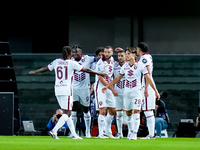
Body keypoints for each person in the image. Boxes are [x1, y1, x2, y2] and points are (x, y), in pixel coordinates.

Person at [29, 46, 107, 140]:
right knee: (67, 113)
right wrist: (99, 73)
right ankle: (54, 131)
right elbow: (87, 70)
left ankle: (74, 134)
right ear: (70, 54)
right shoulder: (71, 63)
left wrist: (35, 71)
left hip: (57, 89)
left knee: (68, 113)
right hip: (67, 89)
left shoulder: (56, 61)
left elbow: (45, 68)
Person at [102, 48, 160, 140]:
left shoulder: (141, 66)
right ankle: (129, 132)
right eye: (126, 54)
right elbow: (117, 78)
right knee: (129, 113)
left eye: (128, 54)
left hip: (137, 92)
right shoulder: (125, 66)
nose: (127, 55)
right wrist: (107, 86)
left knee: (136, 111)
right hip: (127, 93)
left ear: (133, 55)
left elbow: (148, 78)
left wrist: (155, 90)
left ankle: (134, 133)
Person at [71, 45, 95, 138]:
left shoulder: (88, 59)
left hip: (85, 88)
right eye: (74, 52)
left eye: (77, 52)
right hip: (74, 88)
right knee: (73, 110)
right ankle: (73, 132)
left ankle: (88, 132)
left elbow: (99, 58)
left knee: (86, 109)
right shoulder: (70, 61)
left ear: (81, 52)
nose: (75, 53)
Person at [94, 46, 118, 138]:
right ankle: (100, 133)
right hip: (101, 88)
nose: (106, 54)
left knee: (112, 110)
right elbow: (101, 78)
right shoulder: (100, 63)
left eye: (108, 52)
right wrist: (112, 89)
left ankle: (107, 131)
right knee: (103, 110)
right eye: (105, 52)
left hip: (109, 87)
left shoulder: (112, 60)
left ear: (112, 53)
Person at [137, 42, 157, 139]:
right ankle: (152, 133)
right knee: (147, 110)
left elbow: (147, 73)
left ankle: (151, 134)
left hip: (147, 86)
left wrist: (145, 88)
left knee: (148, 110)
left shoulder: (144, 59)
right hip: (147, 86)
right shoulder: (148, 57)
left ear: (139, 49)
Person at [113, 48, 126, 139]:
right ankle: (120, 133)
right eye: (119, 56)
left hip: (128, 92)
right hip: (117, 92)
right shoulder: (114, 65)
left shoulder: (131, 65)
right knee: (119, 113)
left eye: (122, 55)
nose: (120, 57)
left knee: (130, 113)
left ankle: (131, 132)